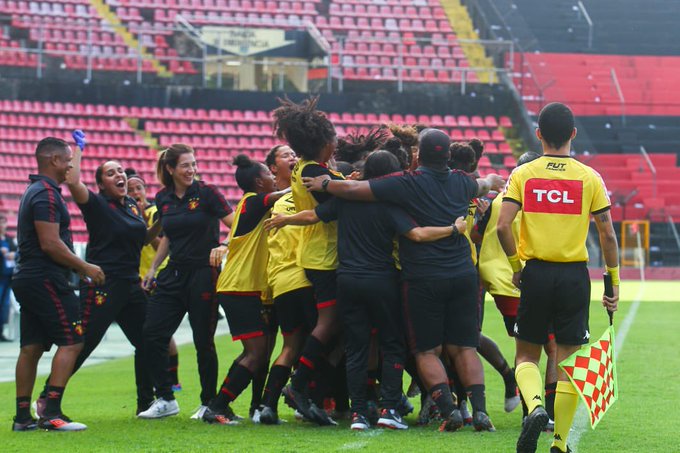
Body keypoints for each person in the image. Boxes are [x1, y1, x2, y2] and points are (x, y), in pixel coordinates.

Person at [302, 128, 505, 432]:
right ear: (447, 155)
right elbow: (485, 183)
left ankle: (447, 409)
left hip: (422, 276)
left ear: (418, 155)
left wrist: (327, 183)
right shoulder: (463, 182)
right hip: (462, 272)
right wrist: (492, 181)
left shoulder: (405, 183)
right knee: (465, 347)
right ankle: (478, 411)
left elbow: (355, 192)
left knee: (426, 351)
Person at [268, 150, 469, 431]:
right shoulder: (391, 206)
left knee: (356, 348)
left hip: (347, 281)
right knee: (392, 345)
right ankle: (389, 409)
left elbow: (313, 216)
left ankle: (358, 414)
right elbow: (417, 234)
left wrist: (285, 219)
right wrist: (453, 229)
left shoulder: (344, 201)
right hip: (382, 281)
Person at [496, 103, 619, 453]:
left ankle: (534, 407)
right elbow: (607, 235)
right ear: (573, 135)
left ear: (538, 135)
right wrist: (613, 281)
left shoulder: (523, 174)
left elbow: (504, 225)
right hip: (573, 277)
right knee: (567, 362)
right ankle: (560, 443)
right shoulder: (589, 177)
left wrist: (516, 267)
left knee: (526, 357)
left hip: (535, 273)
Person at [35, 137, 161, 416]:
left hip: (130, 283)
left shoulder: (131, 206)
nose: (120, 176)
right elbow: (74, 182)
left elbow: (142, 239)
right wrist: (78, 150)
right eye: (111, 172)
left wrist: (162, 219)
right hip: (104, 282)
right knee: (85, 343)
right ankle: (47, 398)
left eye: (121, 172)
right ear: (101, 184)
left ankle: (147, 402)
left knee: (148, 338)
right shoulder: (96, 204)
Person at [12, 137, 105, 431]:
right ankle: (51, 412)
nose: (70, 166)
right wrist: (85, 266)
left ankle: (23, 418)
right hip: (45, 277)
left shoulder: (34, 190)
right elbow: (50, 244)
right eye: (67, 160)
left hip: (28, 276)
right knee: (73, 341)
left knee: (32, 347)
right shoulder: (47, 195)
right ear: (53, 160)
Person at [138, 144, 234, 419]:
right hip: (174, 273)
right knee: (152, 333)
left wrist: (225, 244)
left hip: (204, 273)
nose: (191, 169)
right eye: (185, 165)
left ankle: (208, 403)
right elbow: (168, 234)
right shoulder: (163, 198)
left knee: (203, 340)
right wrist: (153, 268)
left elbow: (234, 222)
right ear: (170, 169)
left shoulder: (208, 193)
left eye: (193, 164)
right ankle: (166, 399)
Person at [271, 96, 346, 426]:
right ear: (324, 142)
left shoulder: (307, 167)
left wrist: (341, 180)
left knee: (333, 323)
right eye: (333, 140)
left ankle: (308, 386)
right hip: (324, 256)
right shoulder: (315, 170)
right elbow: (330, 209)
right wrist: (348, 184)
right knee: (329, 322)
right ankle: (299, 385)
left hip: (315, 253)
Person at [202, 154, 289, 425]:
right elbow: (285, 192)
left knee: (256, 352)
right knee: (255, 353)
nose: (273, 179)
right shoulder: (254, 200)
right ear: (257, 182)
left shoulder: (249, 203)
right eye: (268, 174)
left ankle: (222, 406)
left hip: (243, 287)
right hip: (240, 286)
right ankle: (217, 407)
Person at [474, 151, 559, 427]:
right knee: (550, 348)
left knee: (526, 348)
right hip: (524, 281)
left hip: (497, 285)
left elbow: (477, 235)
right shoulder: (535, 201)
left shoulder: (499, 200)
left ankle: (530, 410)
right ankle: (539, 412)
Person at [258, 144, 317, 425]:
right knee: (326, 340)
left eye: (295, 153)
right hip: (305, 278)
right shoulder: (305, 203)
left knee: (291, 345)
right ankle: (313, 398)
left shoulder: (273, 205)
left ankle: (268, 406)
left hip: (280, 282)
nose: (293, 157)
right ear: (272, 168)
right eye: (286, 155)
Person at [126, 170, 181, 393]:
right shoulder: (127, 213)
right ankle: (159, 381)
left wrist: (144, 222)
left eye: (138, 188)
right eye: (130, 190)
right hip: (137, 278)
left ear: (146, 190)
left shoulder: (155, 212)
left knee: (159, 332)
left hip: (156, 276)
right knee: (150, 332)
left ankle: (172, 379)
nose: (135, 192)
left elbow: (160, 245)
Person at [0, 213, 17, 341]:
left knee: (5, 306)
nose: (2, 225)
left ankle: (1, 332)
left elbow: (18, 251)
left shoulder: (9, 239)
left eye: (4, 222)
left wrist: (13, 254)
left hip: (8, 277)